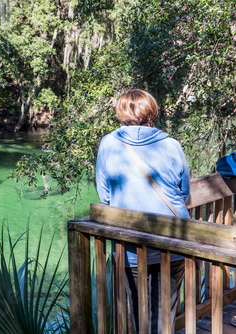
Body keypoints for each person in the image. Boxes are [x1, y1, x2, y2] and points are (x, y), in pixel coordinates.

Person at [95, 88, 190, 333]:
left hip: (130, 248)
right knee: (165, 316)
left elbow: (105, 195)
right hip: (173, 242)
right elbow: (184, 191)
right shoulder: (171, 144)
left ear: (121, 112)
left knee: (139, 317)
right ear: (152, 111)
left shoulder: (108, 144)